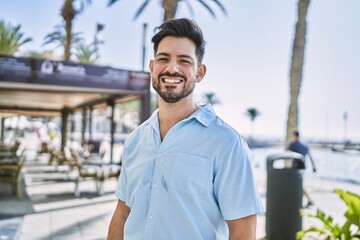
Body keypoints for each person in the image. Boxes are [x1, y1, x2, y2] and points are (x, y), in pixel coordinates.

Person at [107, 18, 263, 240]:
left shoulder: (227, 143)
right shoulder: (135, 140)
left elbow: (242, 232)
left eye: (184, 61)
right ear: (152, 68)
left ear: (199, 73)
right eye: (164, 58)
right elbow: (122, 212)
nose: (172, 68)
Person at [288, 130, 317, 208]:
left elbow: (287, 155)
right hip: (303, 167)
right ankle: (304, 200)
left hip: (295, 168)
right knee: (299, 183)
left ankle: (308, 199)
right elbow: (310, 156)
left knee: (298, 184)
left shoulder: (292, 144)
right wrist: (314, 167)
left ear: (295, 136)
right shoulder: (305, 145)